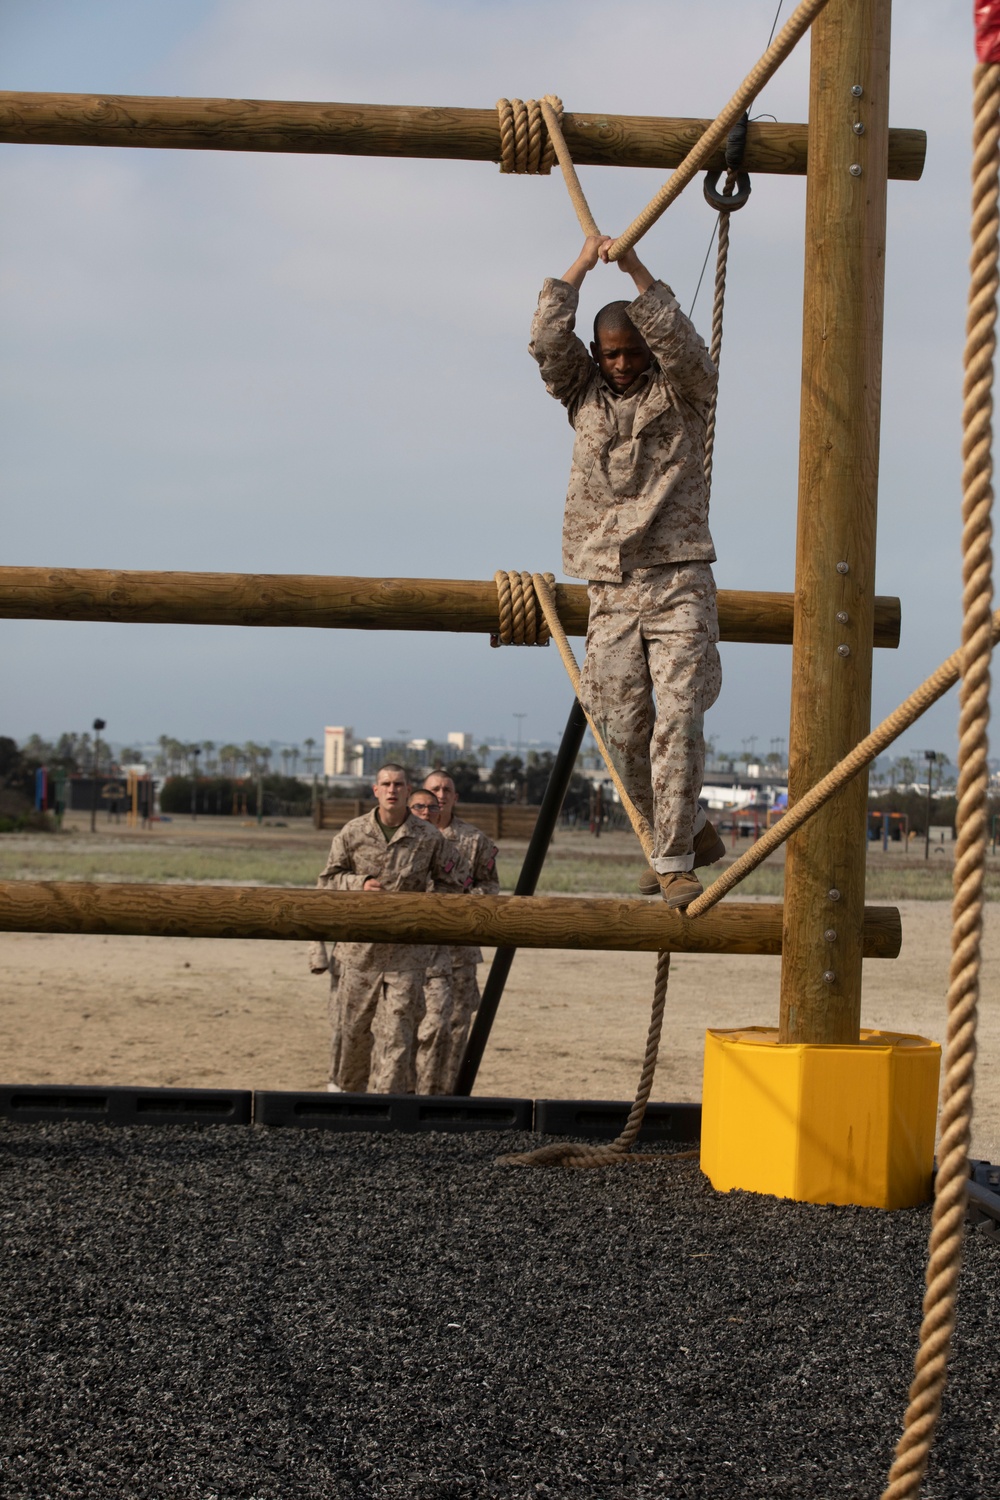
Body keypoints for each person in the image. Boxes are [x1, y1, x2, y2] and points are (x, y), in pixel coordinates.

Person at [529, 233, 726, 908]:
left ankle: (672, 859)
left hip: (678, 578)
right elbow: (545, 342)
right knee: (618, 725)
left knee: (679, 718)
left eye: (634, 352)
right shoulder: (581, 398)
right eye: (611, 352)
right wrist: (583, 262)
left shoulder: (686, 394)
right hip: (610, 582)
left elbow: (682, 344)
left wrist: (636, 267)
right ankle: (689, 829)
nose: (622, 364)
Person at [315, 763, 467, 1094]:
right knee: (353, 1029)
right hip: (360, 952)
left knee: (399, 1032)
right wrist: (358, 883)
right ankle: (349, 1098)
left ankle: (389, 1105)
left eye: (399, 784)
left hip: (407, 954)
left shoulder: (428, 837)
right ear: (375, 790)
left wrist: (423, 913)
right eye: (386, 784)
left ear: (408, 789)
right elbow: (326, 881)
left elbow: (453, 883)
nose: (392, 790)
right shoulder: (353, 832)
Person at [417, 771, 500, 1091]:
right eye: (434, 789)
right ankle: (412, 1093)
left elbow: (490, 888)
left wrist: (460, 907)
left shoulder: (474, 840)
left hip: (458, 952)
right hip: (415, 950)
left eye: (446, 790)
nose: (440, 794)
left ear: (455, 798)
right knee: (416, 1024)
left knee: (456, 1024)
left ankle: (450, 1094)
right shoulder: (409, 835)